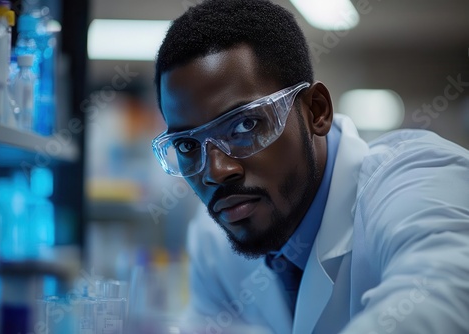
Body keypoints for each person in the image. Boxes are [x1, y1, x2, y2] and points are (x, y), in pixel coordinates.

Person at [151, 0, 469, 333]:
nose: (216, 172)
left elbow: (442, 302)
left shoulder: (416, 179)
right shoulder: (213, 244)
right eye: (187, 145)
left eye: (244, 125)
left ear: (316, 111)